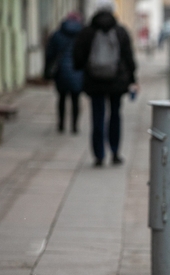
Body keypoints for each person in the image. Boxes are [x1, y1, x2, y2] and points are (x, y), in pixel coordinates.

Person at [73, 2, 137, 166]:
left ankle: (99, 155)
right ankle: (115, 152)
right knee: (115, 115)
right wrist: (132, 79)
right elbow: (129, 57)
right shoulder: (121, 31)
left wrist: (84, 69)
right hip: (117, 81)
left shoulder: (88, 31)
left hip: (95, 81)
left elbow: (78, 57)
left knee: (97, 116)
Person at [45, 12, 84, 134]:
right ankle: (74, 126)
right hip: (77, 71)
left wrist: (46, 71)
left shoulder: (57, 34)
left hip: (61, 71)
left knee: (62, 98)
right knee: (75, 99)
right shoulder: (82, 34)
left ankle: (61, 125)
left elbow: (50, 54)